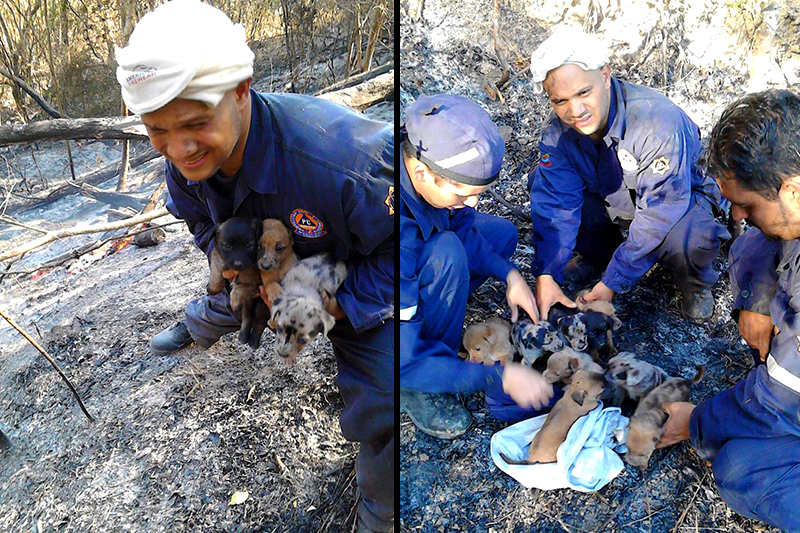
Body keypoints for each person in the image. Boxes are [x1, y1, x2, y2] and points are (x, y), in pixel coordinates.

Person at [114, 1, 394, 531]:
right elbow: (202, 226)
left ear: (241, 90)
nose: (178, 148)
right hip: (259, 270)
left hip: (348, 274)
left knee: (383, 398)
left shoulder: (344, 162)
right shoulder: (186, 161)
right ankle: (198, 326)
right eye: (157, 131)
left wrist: (338, 303)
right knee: (229, 295)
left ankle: (379, 513)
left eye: (195, 123)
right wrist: (237, 272)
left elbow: (405, 252)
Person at [659, 89, 800, 533]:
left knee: (742, 468)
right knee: (740, 465)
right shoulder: (790, 203)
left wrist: (696, 421)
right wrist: (757, 300)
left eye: (747, 204)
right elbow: (761, 240)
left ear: (792, 190)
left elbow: (781, 396)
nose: (735, 214)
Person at [527, 27, 730, 323]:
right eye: (560, 101)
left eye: (584, 92)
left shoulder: (656, 123)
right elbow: (557, 204)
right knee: (541, 181)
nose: (576, 110)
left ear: (606, 76)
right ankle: (600, 257)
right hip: (620, 199)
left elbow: (661, 210)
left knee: (689, 236)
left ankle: (695, 283)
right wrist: (547, 273)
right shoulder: (557, 135)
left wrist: (613, 282)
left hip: (680, 199)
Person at [399, 94, 557, 438]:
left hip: (421, 241)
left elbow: (468, 227)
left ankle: (442, 308)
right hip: (388, 321)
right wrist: (496, 375)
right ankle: (421, 383)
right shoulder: (390, 229)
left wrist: (509, 274)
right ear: (423, 174)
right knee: (447, 254)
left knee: (500, 234)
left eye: (478, 192)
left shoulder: (429, 159)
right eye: (463, 194)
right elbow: (402, 356)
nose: (473, 202)